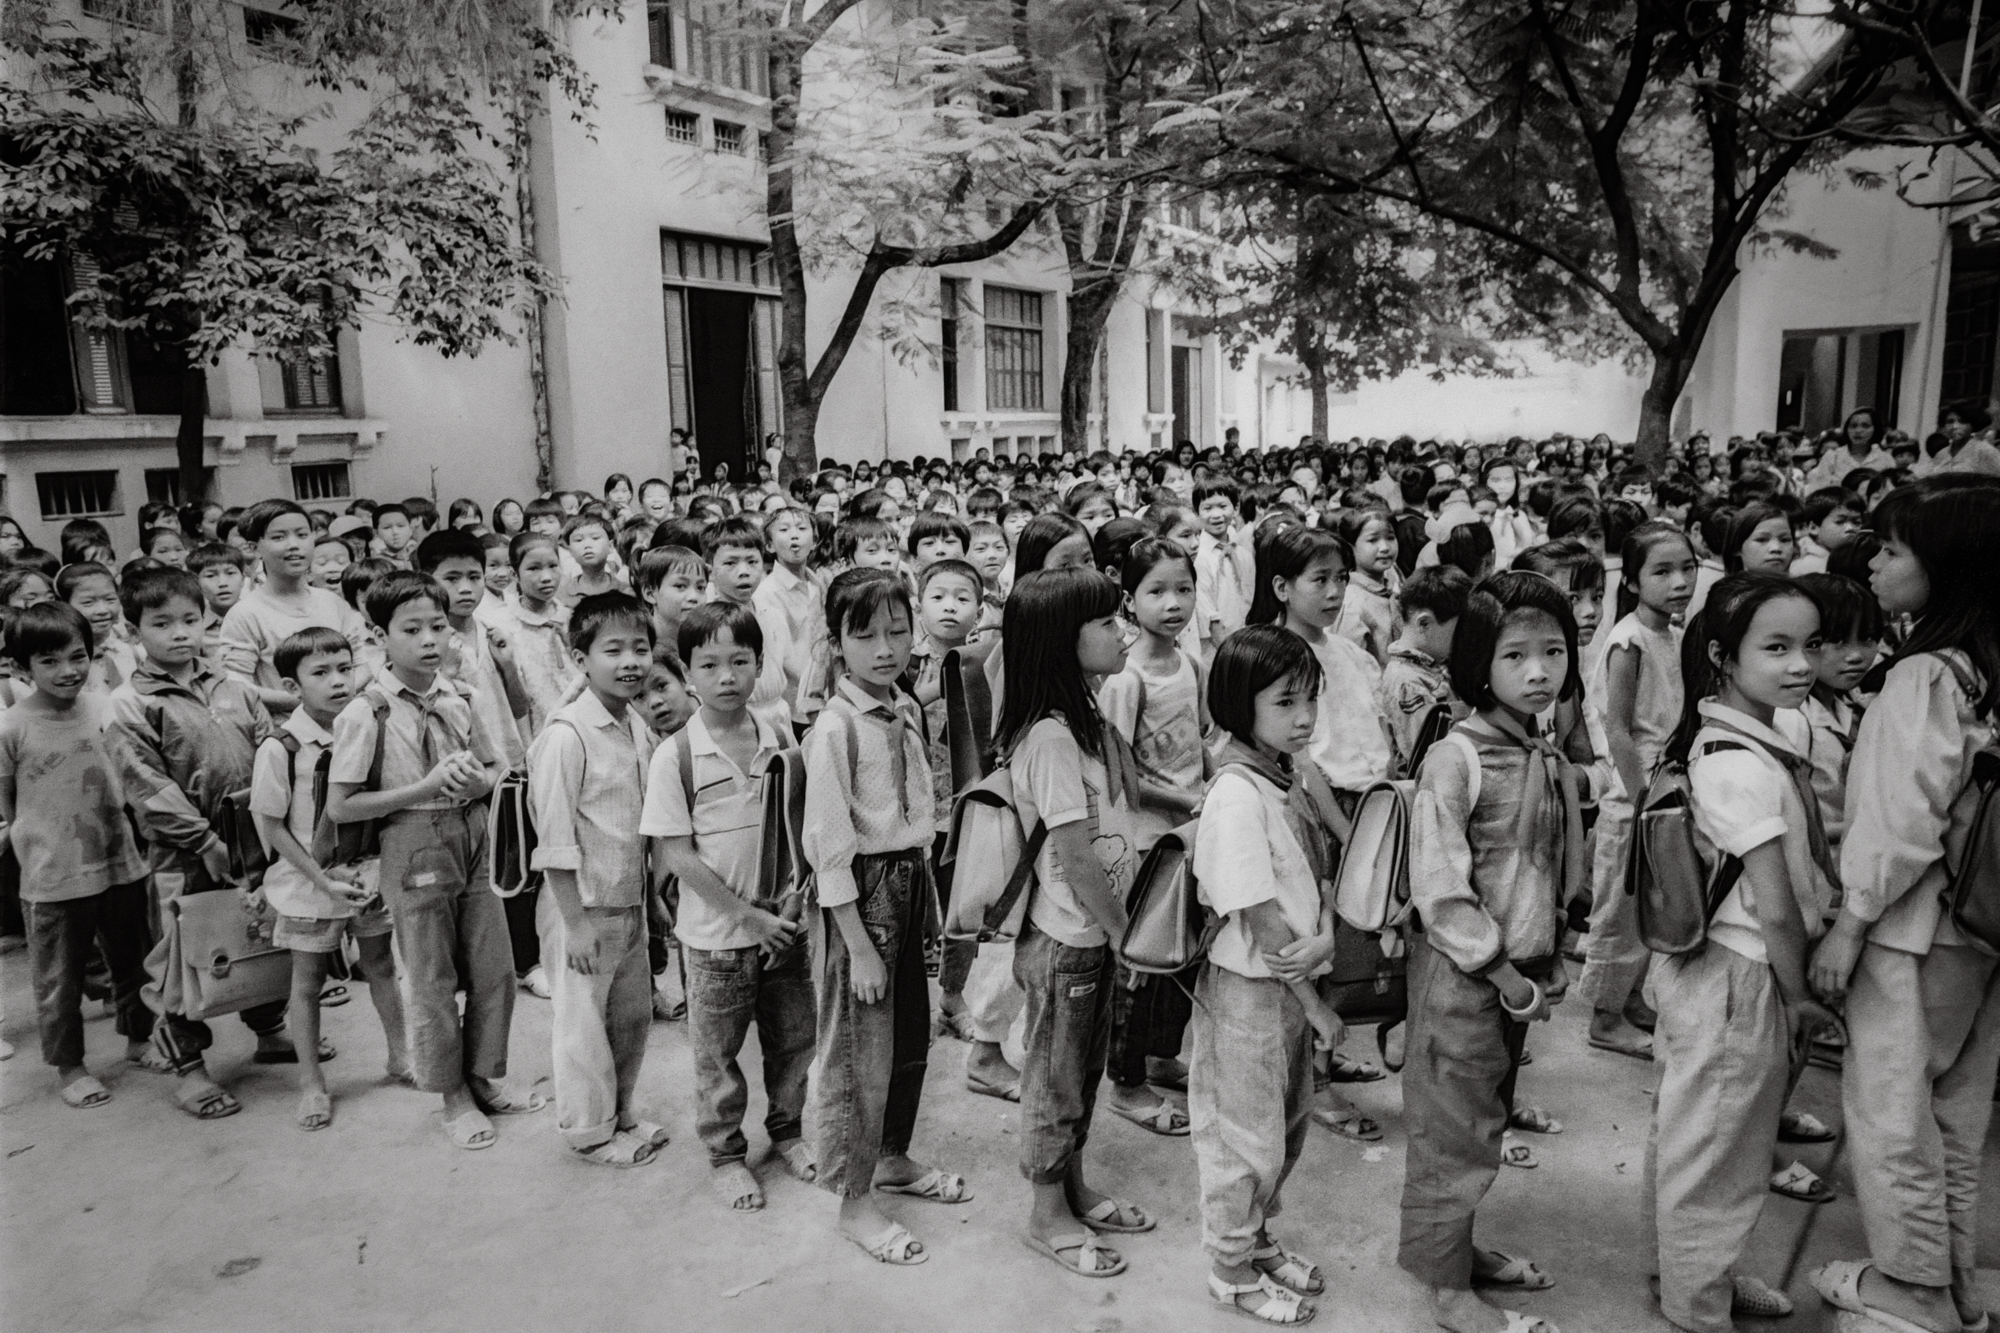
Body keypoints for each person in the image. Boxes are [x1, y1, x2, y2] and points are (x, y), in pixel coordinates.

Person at [1807, 478, 2000, 1333]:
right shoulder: (1988, 665)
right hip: (1982, 926)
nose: (1875, 562)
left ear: (1945, 566)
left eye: (1892, 548)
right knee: (1955, 1107)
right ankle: (1954, 1275)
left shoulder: (1926, 673)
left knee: (1891, 1109)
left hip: (1912, 926)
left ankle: (1913, 1288)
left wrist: (1850, 926)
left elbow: (1896, 821)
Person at [1648, 574, 1837, 1332]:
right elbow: (1779, 910)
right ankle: (1696, 1309)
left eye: (1811, 645)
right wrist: (1800, 998)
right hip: (1742, 974)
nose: (1801, 664)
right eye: (1778, 648)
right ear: (1725, 656)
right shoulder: (1737, 761)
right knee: (1715, 1149)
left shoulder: (1769, 737)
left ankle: (1703, 1277)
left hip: (1742, 973)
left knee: (1722, 1141)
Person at [1402, 572, 1589, 1333]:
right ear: (1480, 662)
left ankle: (1455, 1250)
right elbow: (1441, 889)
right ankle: (1446, 1290)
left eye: (1553, 651)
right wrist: (1506, 970)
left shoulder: (1539, 747)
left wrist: (1559, 950)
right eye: (1516, 655)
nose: (1539, 670)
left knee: (1479, 1127)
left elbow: (1558, 864)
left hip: (1518, 978)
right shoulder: (1459, 757)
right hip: (1468, 981)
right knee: (1454, 1138)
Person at [325, 570, 540, 1151]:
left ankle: (483, 1075)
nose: (429, 641)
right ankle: (452, 1094)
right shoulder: (365, 713)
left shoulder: (461, 696)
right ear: (378, 636)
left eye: (439, 627)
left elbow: (498, 767)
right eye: (411, 629)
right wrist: (423, 789)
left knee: (494, 968)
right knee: (431, 977)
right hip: (412, 840)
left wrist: (480, 785)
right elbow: (342, 806)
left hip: (474, 834)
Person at [801, 569, 967, 1265]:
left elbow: (920, 809)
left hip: (908, 880)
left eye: (898, 630)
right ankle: (853, 1198)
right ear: (837, 644)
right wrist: (860, 946)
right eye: (865, 634)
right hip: (859, 896)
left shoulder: (905, 707)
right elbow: (828, 853)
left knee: (907, 1039)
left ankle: (891, 1155)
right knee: (856, 1055)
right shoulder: (835, 729)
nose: (885, 647)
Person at [999, 566, 1154, 1279]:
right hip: (1069, 938)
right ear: (1065, 642)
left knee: (1081, 1073)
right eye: (1105, 623)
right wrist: (1126, 930)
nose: (1121, 632)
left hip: (1090, 937)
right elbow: (1075, 857)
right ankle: (1043, 1213)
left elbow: (1133, 800)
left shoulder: (1089, 717)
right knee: (1054, 1080)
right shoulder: (1050, 738)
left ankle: (1074, 1187)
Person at [1190, 625, 1347, 1325]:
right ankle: (1228, 1268)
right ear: (1238, 705)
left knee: (1282, 1126)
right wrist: (1314, 1002)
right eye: (1285, 702)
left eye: (1310, 698)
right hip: (1252, 990)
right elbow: (1258, 917)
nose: (1304, 716)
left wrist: (1326, 940)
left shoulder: (1283, 775)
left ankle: (1253, 1240)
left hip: (1281, 986)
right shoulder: (1235, 795)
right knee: (1241, 1137)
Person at [641, 601, 815, 1202]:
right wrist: (748, 916)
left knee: (794, 1038)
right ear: (687, 673)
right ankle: (725, 1154)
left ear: (759, 664)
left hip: (784, 928)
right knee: (716, 1055)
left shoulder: (781, 735)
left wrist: (791, 903)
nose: (726, 677)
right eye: (709, 664)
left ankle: (788, 1131)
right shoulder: (676, 756)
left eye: (739, 661)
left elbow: (798, 824)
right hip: (716, 943)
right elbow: (680, 856)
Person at [109, 565, 295, 1121]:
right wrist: (208, 842)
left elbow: (270, 747)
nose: (180, 633)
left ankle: (269, 1029)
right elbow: (149, 789)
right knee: (181, 961)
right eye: (162, 623)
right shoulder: (131, 703)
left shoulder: (233, 687)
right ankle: (189, 1069)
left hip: (257, 842)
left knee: (260, 934)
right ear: (133, 628)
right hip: (184, 854)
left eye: (190, 620)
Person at [526, 592, 668, 1167]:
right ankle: (590, 1132)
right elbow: (554, 841)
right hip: (582, 908)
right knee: (583, 1027)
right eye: (614, 650)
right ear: (581, 660)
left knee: (630, 1017)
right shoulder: (567, 735)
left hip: (627, 902)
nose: (630, 661)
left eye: (640, 648)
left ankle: (622, 1111)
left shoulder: (632, 722)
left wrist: (650, 898)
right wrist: (576, 923)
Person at [250, 627, 408, 1131]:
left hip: (366, 874)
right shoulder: (283, 747)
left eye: (345, 668)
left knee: (382, 964)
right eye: (320, 673)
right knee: (308, 981)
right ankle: (312, 1083)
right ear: (292, 688)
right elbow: (270, 826)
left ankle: (400, 1056)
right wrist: (321, 881)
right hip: (309, 881)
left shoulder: (362, 726)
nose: (338, 681)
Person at [1, 602, 154, 1110]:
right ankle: (70, 1066)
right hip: (54, 875)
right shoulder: (11, 727)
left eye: (77, 656)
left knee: (133, 960)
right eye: (49, 661)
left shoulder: (103, 704)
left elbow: (129, 773)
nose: (68, 671)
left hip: (119, 858)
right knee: (58, 979)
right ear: (22, 668)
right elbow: (7, 803)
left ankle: (139, 1039)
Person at [1096, 537, 1207, 1136]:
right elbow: (1122, 776)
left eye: (1183, 589)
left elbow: (1202, 740)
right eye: (1156, 591)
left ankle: (1163, 1055)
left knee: (1181, 954)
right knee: (1140, 963)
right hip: (1146, 840)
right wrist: (1190, 799)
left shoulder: (1188, 663)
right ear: (1129, 600)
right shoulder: (1128, 676)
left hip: (1186, 832)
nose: (1173, 603)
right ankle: (1127, 1082)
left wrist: (1210, 788)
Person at [1579, 522, 1694, 1059]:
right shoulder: (1628, 640)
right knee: (1619, 912)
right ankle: (1604, 1017)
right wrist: (1643, 796)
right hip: (1634, 799)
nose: (1679, 582)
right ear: (1632, 579)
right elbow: (1617, 727)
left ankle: (1628, 999)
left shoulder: (1671, 634)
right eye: (1662, 571)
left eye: (1687, 568)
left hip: (1664, 790)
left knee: (1650, 904)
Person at [1250, 525, 1393, 806]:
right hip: (1323, 804)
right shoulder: (1275, 662)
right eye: (1320, 579)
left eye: (1341, 578)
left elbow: (1380, 728)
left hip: (1377, 796)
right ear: (1282, 588)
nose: (1335, 592)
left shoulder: (1354, 654)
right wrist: (1342, 829)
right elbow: (1299, 760)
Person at [220, 500, 370, 713]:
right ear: (255, 548)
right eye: (279, 537)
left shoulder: (333, 603)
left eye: (302, 535)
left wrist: (339, 695)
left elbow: (362, 663)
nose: (294, 545)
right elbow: (237, 682)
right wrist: (306, 703)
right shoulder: (246, 613)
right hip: (287, 732)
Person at [1793, 572, 1883, 858]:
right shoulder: (1788, 720)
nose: (1856, 655)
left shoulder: (1852, 709)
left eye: (1867, 638)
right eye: (1837, 640)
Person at [480, 533, 581, 738]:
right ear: (514, 573)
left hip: (580, 729)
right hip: (533, 733)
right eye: (533, 568)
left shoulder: (574, 619)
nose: (546, 577)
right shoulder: (499, 626)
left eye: (553, 566)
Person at [1377, 566, 1471, 776]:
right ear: (1424, 623)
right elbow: (1423, 754)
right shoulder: (1406, 681)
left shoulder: (1433, 665)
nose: (1463, 640)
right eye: (1458, 632)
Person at [755, 505, 824, 730]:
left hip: (823, 695)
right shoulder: (767, 593)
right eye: (783, 530)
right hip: (796, 703)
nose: (794, 535)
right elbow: (783, 656)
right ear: (769, 545)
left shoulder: (817, 583)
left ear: (814, 541)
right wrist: (816, 687)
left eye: (802, 528)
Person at [1192, 478, 1252, 662]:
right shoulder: (1199, 557)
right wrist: (1230, 655)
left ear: (1236, 508)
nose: (1216, 515)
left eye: (1222, 506)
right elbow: (1208, 616)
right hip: (1215, 649)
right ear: (1197, 512)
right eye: (1207, 508)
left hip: (1242, 640)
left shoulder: (1241, 551)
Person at [1334, 509, 1399, 664]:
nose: (1384, 547)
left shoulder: (1390, 587)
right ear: (1351, 548)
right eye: (1372, 540)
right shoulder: (1352, 603)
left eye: (1390, 538)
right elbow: (1351, 666)